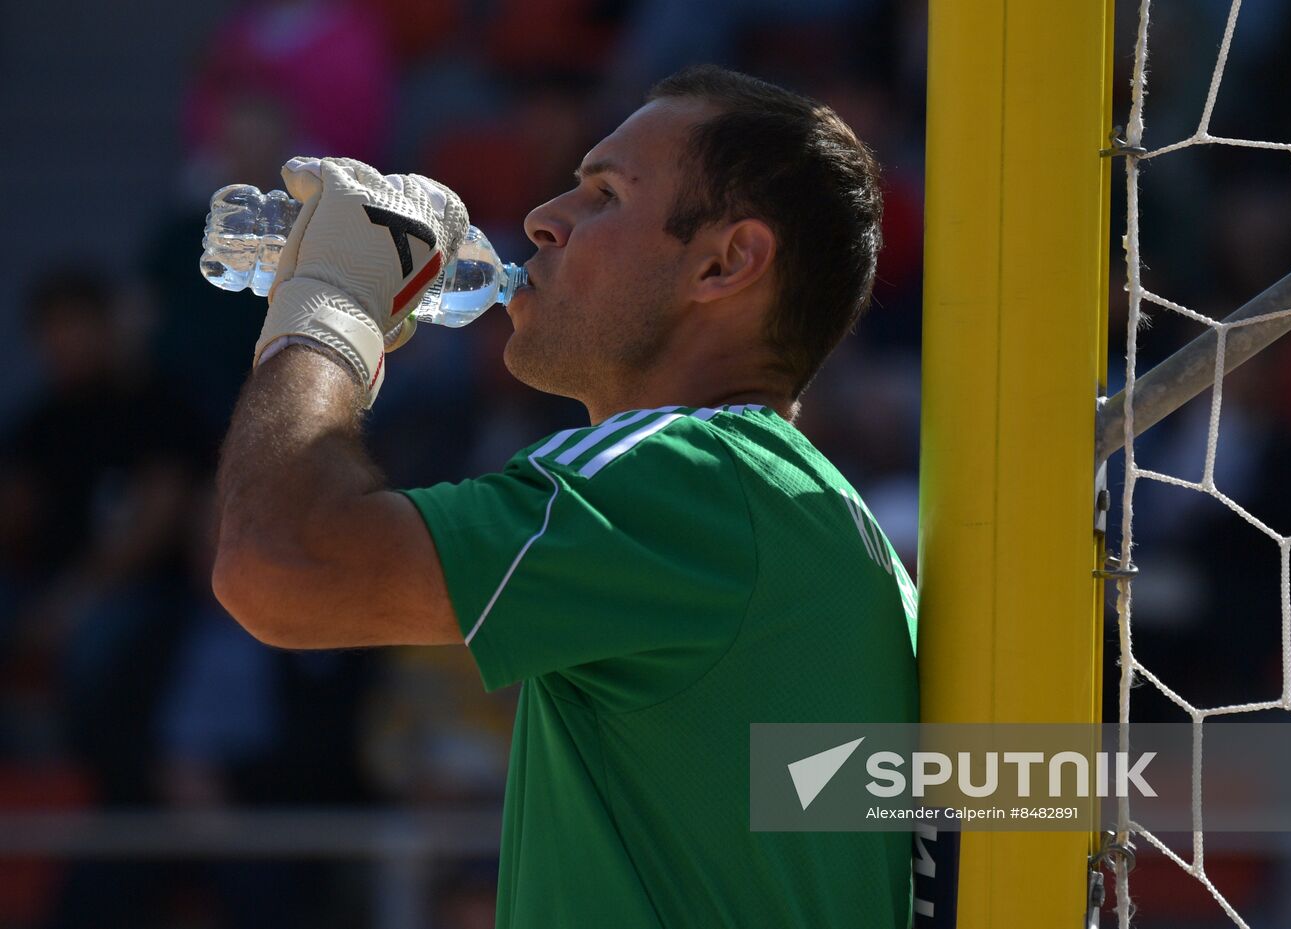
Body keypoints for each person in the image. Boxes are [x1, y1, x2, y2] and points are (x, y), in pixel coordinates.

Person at [212, 66, 919, 927]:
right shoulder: (802, 507)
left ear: (727, 262)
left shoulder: (684, 473)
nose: (545, 218)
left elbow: (281, 563)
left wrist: (327, 307)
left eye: (604, 194)